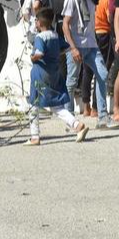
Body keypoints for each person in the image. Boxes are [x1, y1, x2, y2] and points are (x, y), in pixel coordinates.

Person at [62, 0, 115, 129]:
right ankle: (70, 119)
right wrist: (73, 48)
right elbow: (65, 25)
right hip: (76, 46)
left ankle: (103, 117)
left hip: (92, 45)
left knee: (102, 75)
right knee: (71, 82)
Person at [28, 8, 89, 145]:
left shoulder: (40, 37)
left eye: (36, 20)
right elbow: (66, 47)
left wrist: (33, 58)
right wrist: (54, 55)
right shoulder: (55, 35)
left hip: (40, 75)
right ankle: (76, 124)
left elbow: (39, 53)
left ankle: (34, 136)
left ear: (39, 23)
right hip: (54, 73)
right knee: (56, 105)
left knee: (33, 105)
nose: (35, 23)